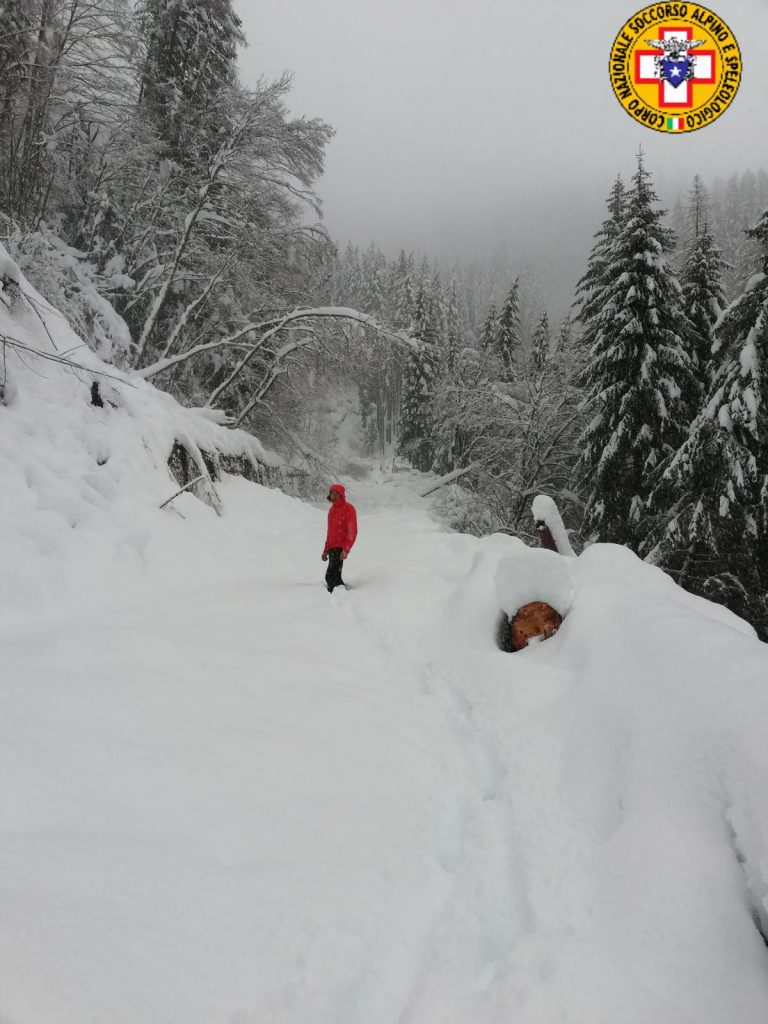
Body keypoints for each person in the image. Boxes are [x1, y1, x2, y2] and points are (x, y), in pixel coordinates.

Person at [321, 484, 357, 592]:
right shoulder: (332, 510)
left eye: (336, 493)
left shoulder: (348, 508)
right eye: (332, 493)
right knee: (333, 576)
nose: (333, 495)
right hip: (332, 547)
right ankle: (339, 593)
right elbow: (330, 532)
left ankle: (337, 596)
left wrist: (346, 549)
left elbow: (352, 531)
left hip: (340, 548)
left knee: (330, 576)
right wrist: (325, 550)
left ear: (341, 495)